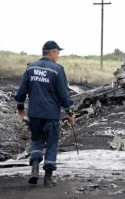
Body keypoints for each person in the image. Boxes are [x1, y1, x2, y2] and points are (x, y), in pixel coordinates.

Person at [15, 41, 75, 186]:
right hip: (51, 114)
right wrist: (70, 112)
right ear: (52, 52)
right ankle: (48, 179)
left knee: (36, 141)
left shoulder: (31, 68)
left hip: (34, 113)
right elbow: (63, 94)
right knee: (52, 144)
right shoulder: (57, 70)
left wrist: (21, 107)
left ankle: (34, 170)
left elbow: (22, 91)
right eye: (58, 53)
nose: (58, 56)